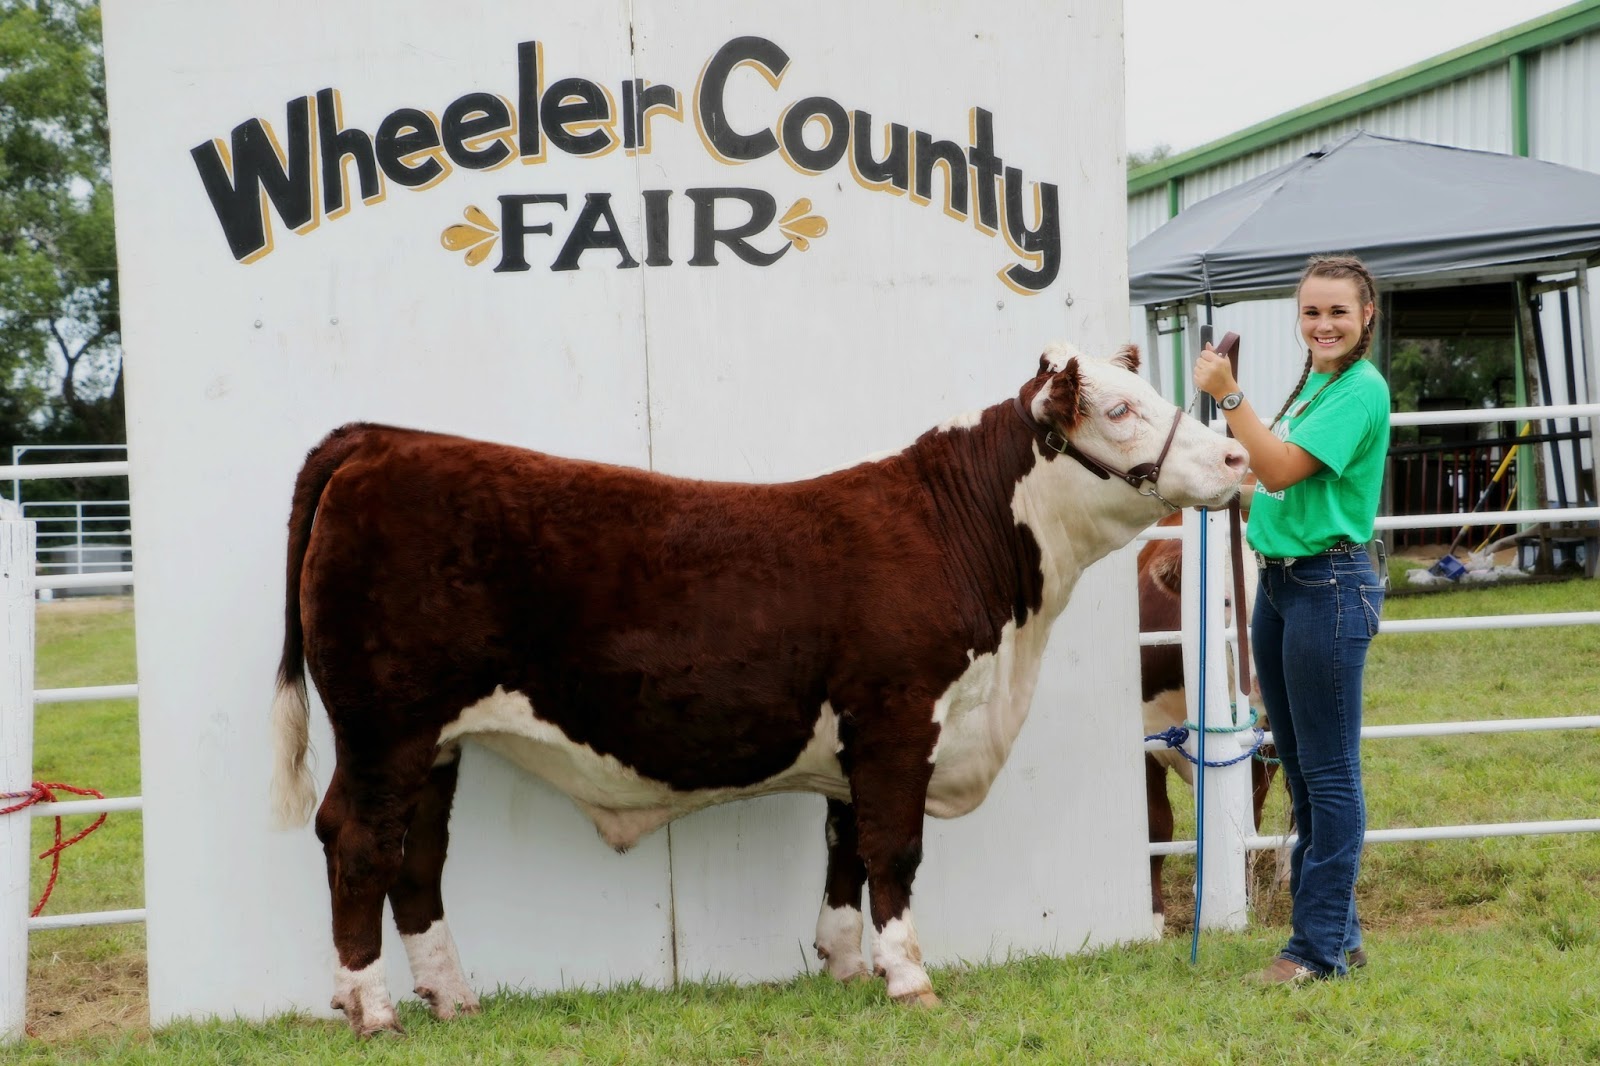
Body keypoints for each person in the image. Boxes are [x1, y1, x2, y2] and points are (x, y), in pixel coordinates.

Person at [1193, 253, 1391, 984]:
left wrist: (1229, 392)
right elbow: (1275, 486)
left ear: (1366, 315)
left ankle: (1312, 951)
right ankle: (1339, 935)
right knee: (1303, 770)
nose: (1324, 324)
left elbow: (1275, 468)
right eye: (1311, 311)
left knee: (1329, 774)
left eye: (1338, 311)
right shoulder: (1316, 382)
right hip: (1282, 587)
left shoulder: (1359, 390)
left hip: (1327, 587)